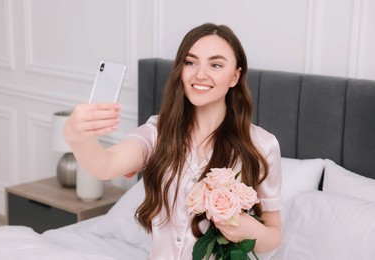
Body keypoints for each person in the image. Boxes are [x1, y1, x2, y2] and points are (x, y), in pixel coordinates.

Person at [64, 23, 282, 259]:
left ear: (235, 76)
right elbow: (105, 165)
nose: (200, 74)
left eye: (216, 65)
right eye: (190, 62)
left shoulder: (262, 145)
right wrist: (76, 136)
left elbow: (273, 235)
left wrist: (248, 230)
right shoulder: (158, 132)